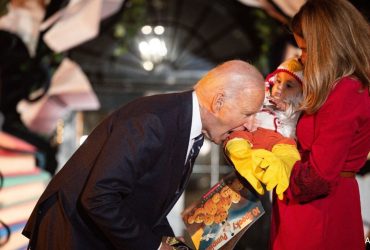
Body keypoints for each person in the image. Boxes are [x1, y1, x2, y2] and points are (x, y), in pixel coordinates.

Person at [22, 60, 265, 250]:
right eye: (247, 113)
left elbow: (147, 207)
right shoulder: (154, 121)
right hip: (72, 234)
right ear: (219, 101)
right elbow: (99, 197)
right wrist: (155, 246)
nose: (250, 125)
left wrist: (176, 247)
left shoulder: (189, 126)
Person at [256, 0, 369, 249]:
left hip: (319, 210)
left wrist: (270, 166)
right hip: (308, 205)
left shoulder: (346, 90)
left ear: (328, 47)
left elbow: (318, 177)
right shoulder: (335, 87)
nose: (302, 59)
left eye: (306, 50)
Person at [224, 57, 303, 199]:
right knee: (236, 139)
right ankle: (247, 163)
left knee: (289, 151)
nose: (280, 87)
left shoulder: (297, 110)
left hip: (277, 142)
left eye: (289, 86)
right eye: (278, 81)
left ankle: (279, 169)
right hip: (252, 134)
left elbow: (297, 116)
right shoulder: (263, 96)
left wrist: (287, 108)